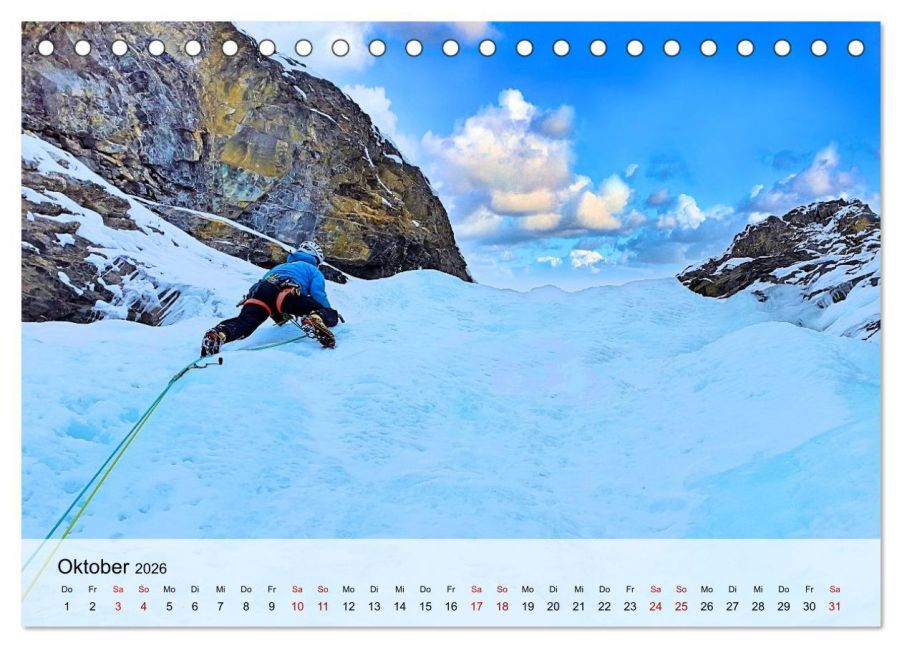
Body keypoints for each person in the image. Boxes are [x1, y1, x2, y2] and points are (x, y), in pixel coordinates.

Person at [200, 240, 343, 357]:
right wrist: (326, 310)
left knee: (245, 323)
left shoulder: (281, 267)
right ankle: (316, 318)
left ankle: (220, 334)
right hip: (287, 292)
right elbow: (318, 293)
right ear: (315, 260)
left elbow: (259, 287)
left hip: (260, 292)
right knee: (326, 312)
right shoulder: (313, 270)